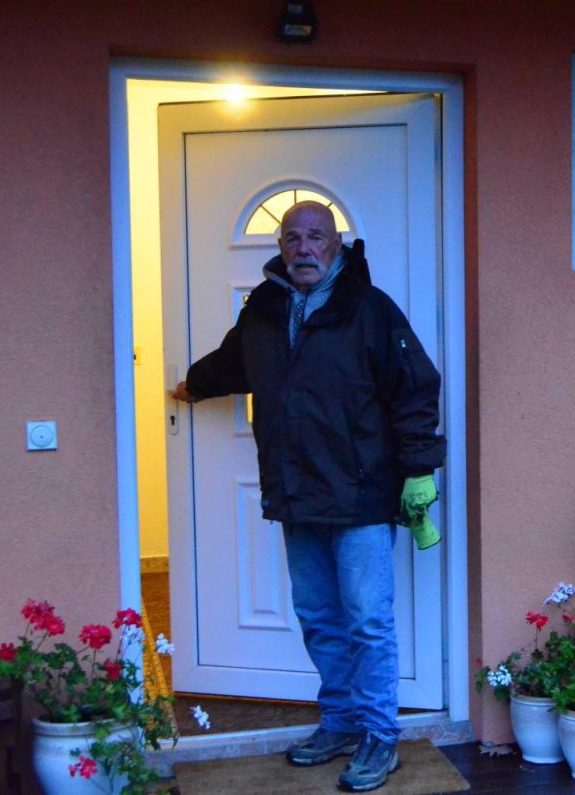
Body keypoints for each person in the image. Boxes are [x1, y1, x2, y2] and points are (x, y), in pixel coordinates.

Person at [171, 200, 445, 792]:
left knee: (367, 621)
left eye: (316, 237)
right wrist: (194, 384)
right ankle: (341, 723)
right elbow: (234, 363)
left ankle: (380, 736)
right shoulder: (264, 310)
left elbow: (416, 388)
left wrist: (420, 467)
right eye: (293, 237)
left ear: (336, 244)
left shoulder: (369, 309)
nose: (304, 249)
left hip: (361, 494)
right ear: (280, 246)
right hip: (296, 492)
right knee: (319, 618)